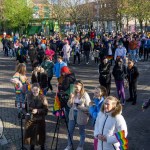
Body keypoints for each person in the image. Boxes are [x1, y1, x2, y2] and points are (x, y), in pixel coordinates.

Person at [64, 80, 91, 150]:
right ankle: (69, 145)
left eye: (77, 86)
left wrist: (81, 108)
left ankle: (80, 146)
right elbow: (69, 105)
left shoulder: (85, 94)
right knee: (70, 131)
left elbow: (89, 108)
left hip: (81, 115)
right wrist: (71, 98)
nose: (76, 88)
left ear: (81, 86)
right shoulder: (73, 93)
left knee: (82, 132)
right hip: (72, 114)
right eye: (75, 86)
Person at [24, 83, 48, 150]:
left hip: (40, 120)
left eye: (36, 90)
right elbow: (24, 107)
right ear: (31, 89)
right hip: (30, 120)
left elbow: (46, 110)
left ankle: (42, 148)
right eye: (33, 90)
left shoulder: (43, 97)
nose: (35, 92)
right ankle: (32, 148)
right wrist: (26, 113)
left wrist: (37, 111)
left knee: (41, 137)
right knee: (31, 138)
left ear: (39, 89)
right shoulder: (28, 96)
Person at [89, 86, 107, 150]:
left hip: (101, 124)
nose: (94, 93)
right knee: (96, 140)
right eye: (94, 92)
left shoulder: (103, 103)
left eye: (97, 92)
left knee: (97, 140)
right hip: (97, 123)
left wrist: (90, 108)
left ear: (102, 93)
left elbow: (97, 115)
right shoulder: (96, 100)